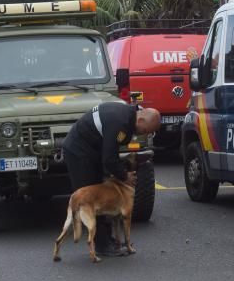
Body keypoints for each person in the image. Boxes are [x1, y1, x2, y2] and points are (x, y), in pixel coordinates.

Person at [62, 103, 161, 256]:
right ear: (141, 121)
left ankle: (107, 239)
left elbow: (111, 153)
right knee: (93, 199)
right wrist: (124, 176)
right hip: (79, 153)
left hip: (91, 151)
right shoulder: (120, 123)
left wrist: (117, 172)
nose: (144, 134)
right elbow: (109, 159)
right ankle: (102, 245)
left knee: (101, 195)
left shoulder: (127, 116)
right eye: (146, 131)